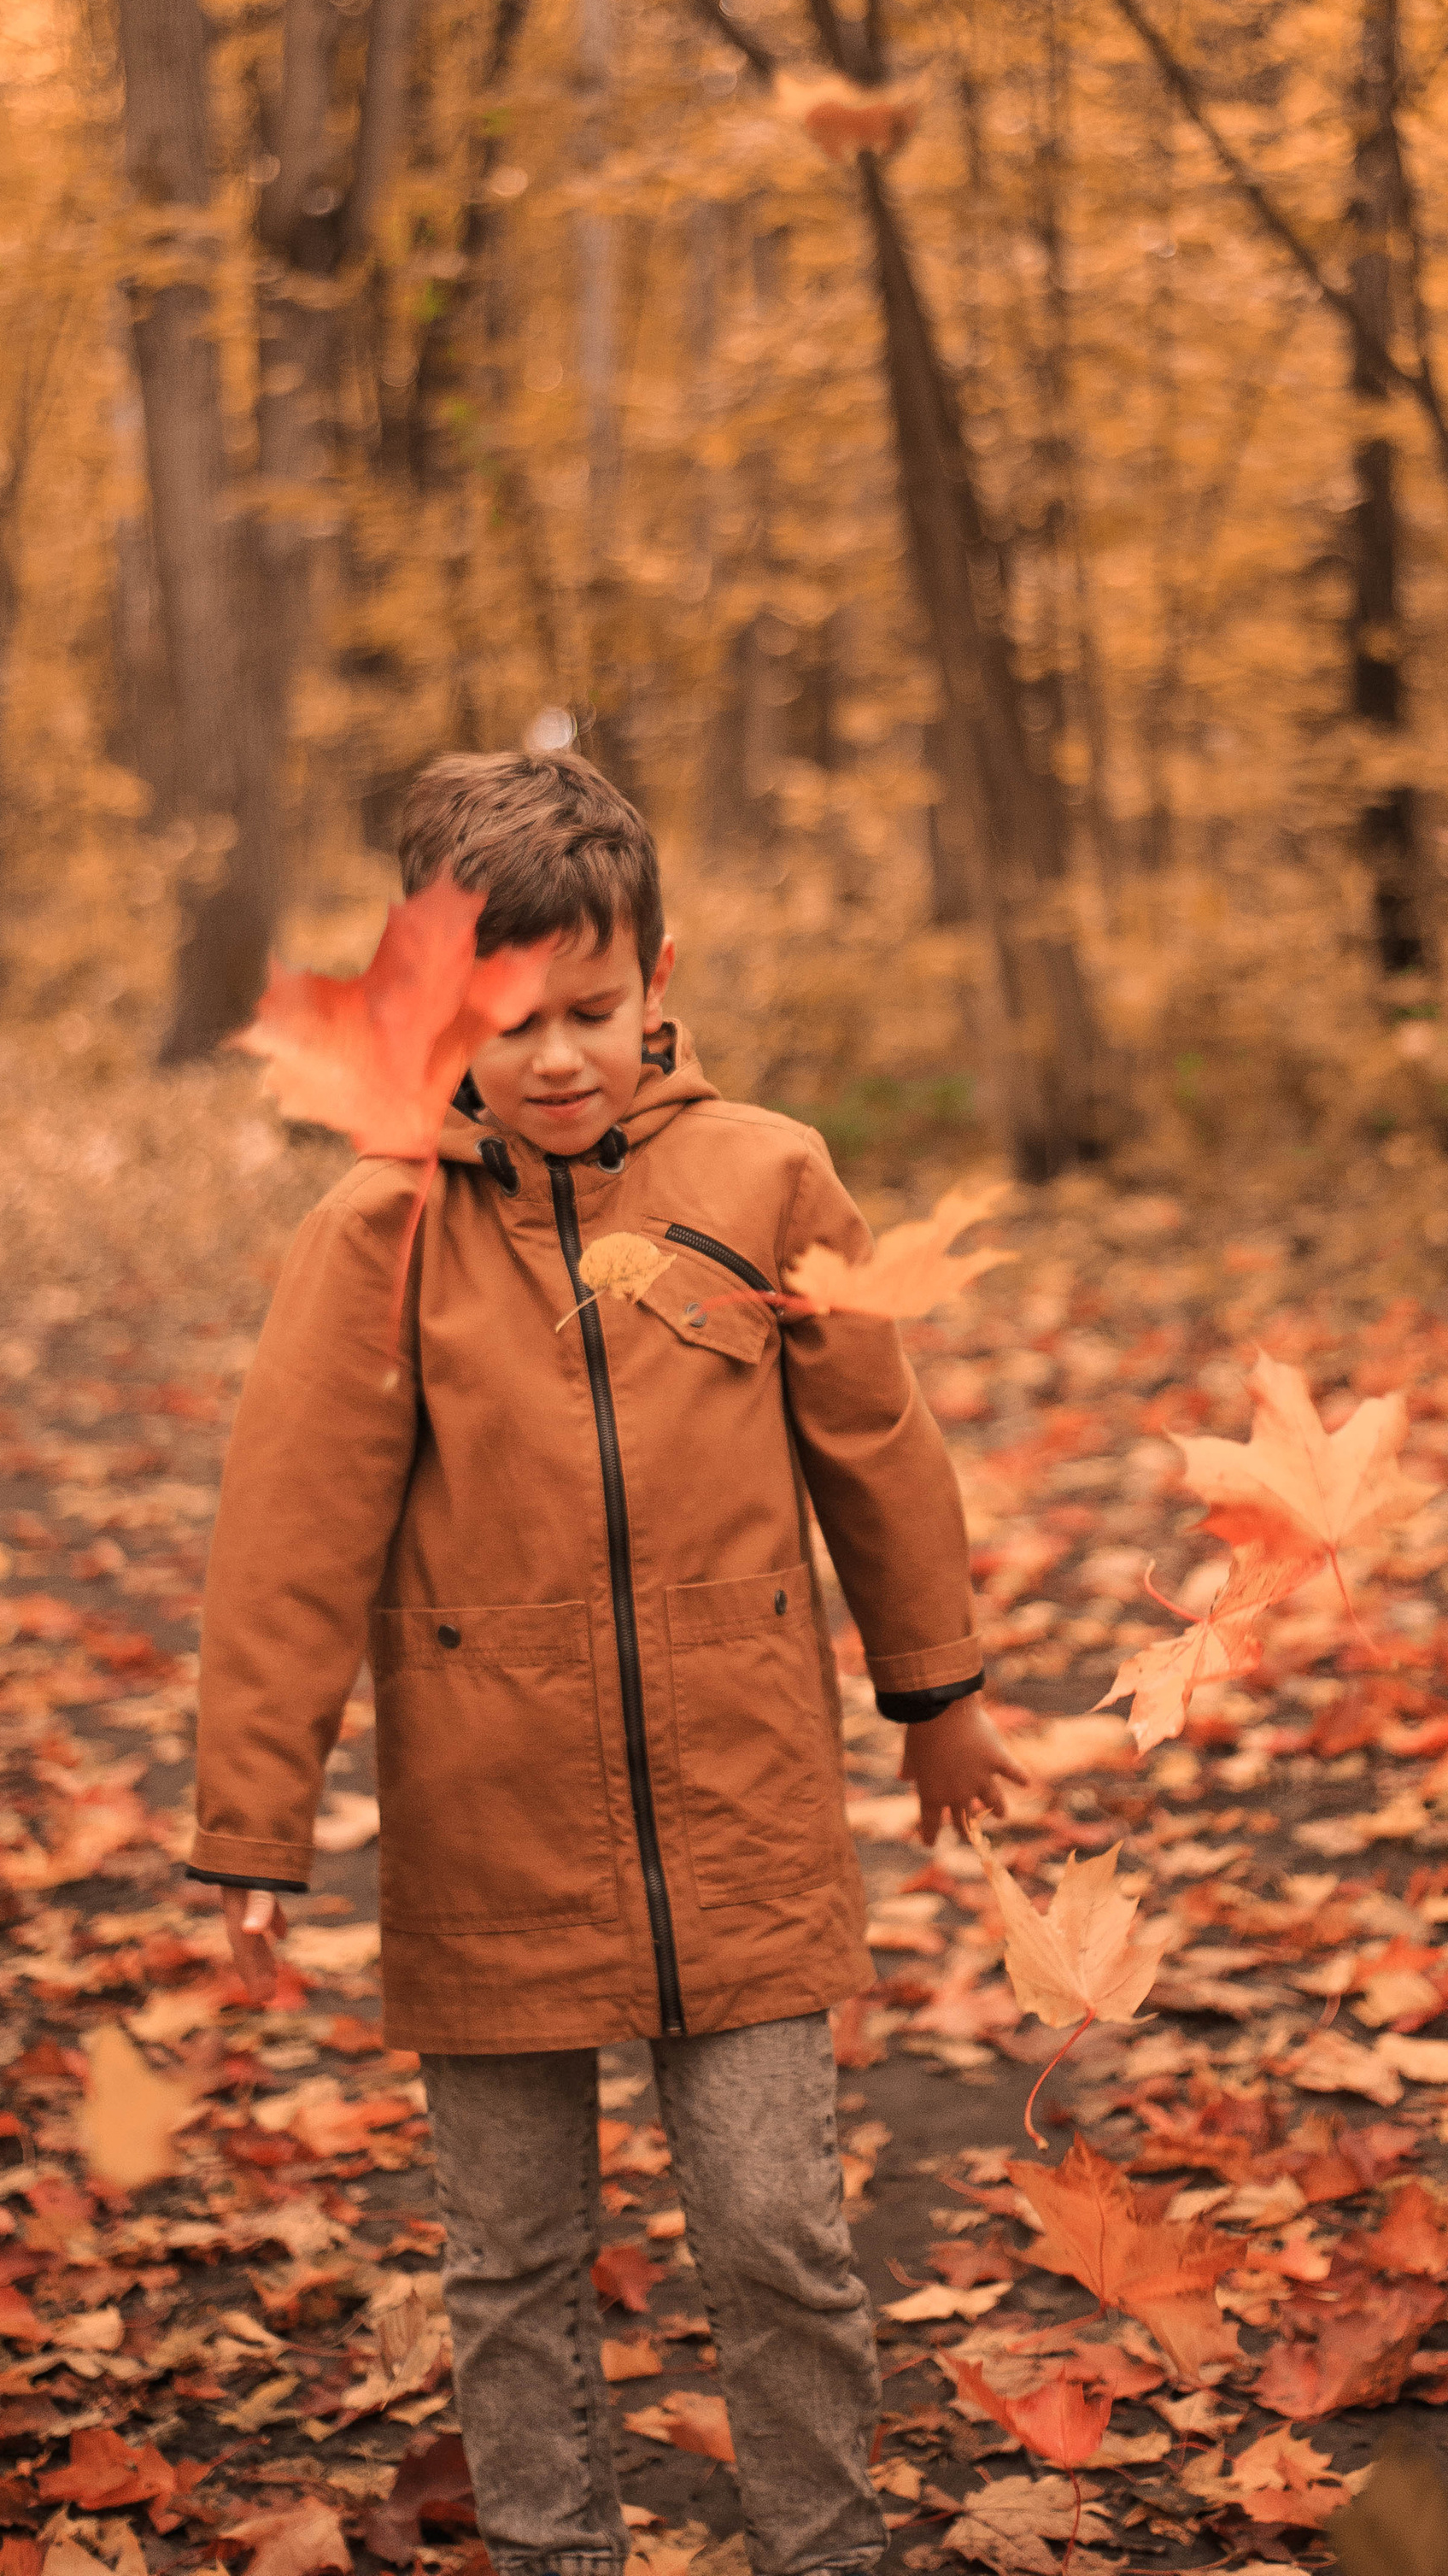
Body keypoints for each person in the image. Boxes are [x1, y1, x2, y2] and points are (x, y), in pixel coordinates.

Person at [188, 747, 1023, 2576]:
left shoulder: (764, 1175)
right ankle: (555, 2554)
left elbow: (877, 1451)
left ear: (657, 980)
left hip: (744, 1812)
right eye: (509, 1019)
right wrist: (255, 1828)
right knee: (509, 2260)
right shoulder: (381, 1235)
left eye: (593, 1007)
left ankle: (822, 2546)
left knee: (775, 2232)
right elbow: (292, 1540)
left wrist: (938, 1692)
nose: (556, 1057)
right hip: (487, 1834)